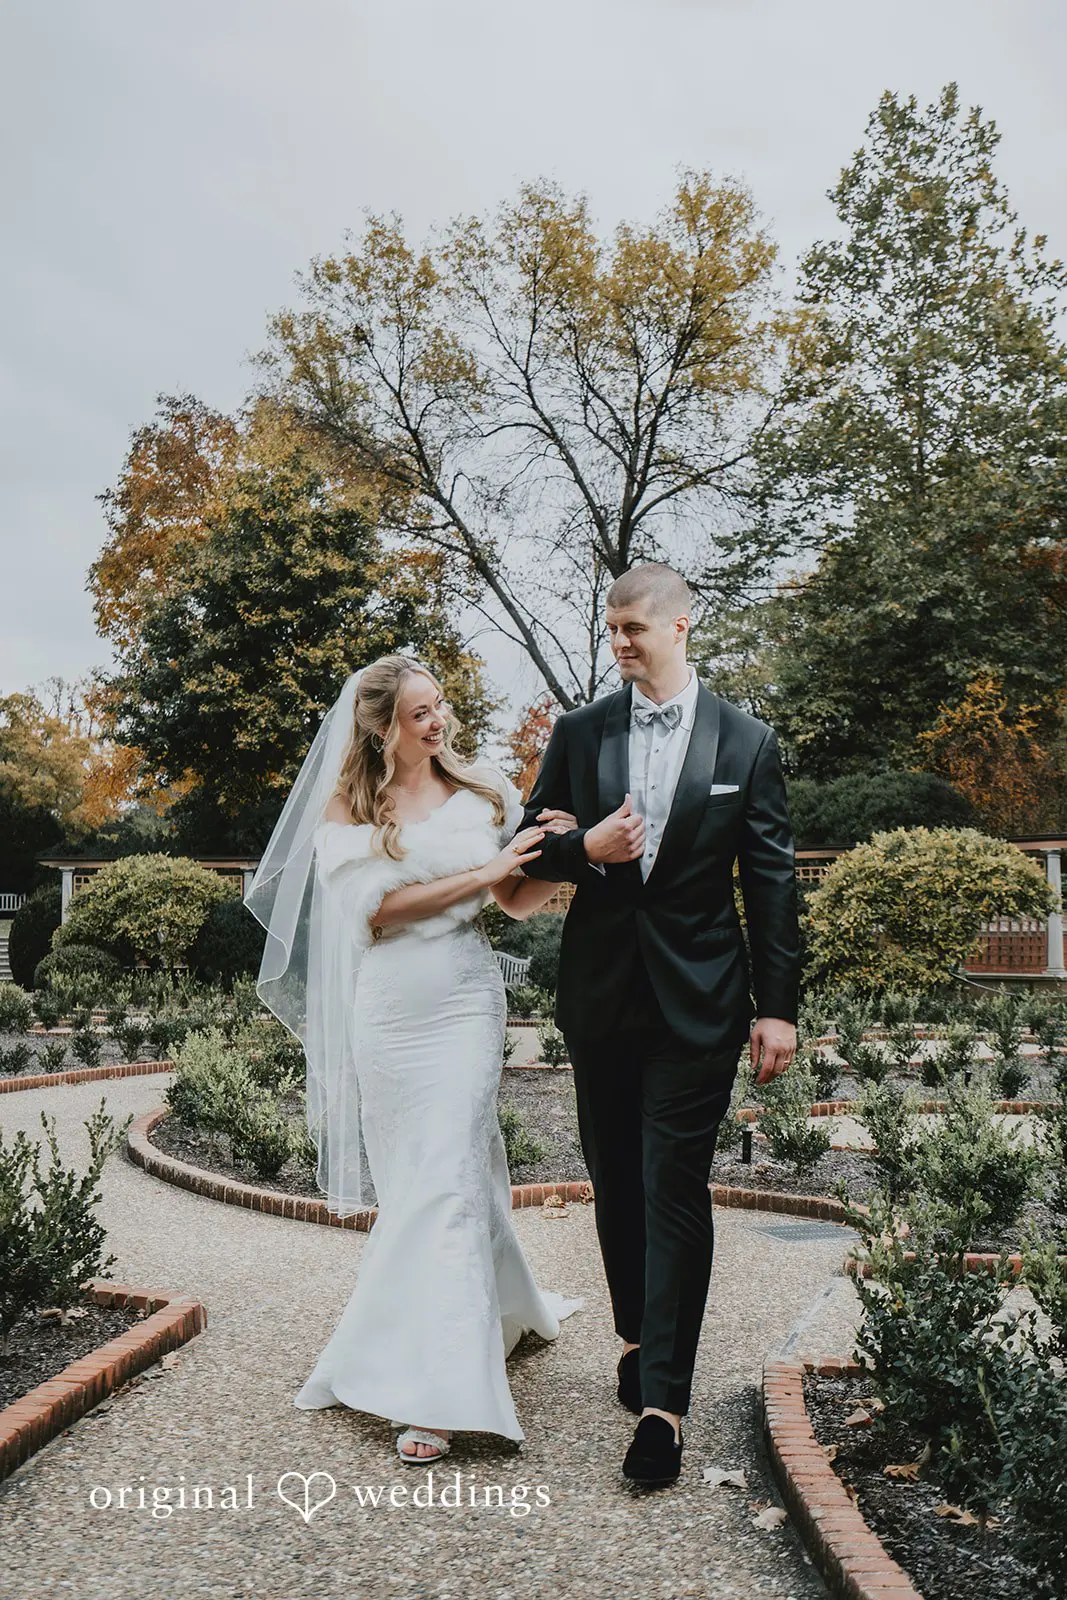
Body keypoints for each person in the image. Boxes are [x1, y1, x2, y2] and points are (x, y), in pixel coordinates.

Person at [244, 654, 582, 1465]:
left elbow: (512, 899)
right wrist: (488, 867)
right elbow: (379, 912)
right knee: (424, 1179)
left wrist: (557, 856)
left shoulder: (486, 789)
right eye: (419, 714)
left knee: (446, 1170)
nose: (438, 723)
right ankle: (495, 1314)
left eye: (440, 707)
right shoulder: (348, 804)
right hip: (391, 1010)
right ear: (382, 728)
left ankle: (437, 1392)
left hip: (466, 1000)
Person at [518, 562, 801, 1487]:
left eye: (633, 627)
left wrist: (776, 1007)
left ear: (681, 626)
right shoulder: (580, 731)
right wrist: (582, 848)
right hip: (600, 996)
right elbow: (528, 852)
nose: (618, 643)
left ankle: (663, 1408)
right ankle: (637, 1335)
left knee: (672, 1183)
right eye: (610, 630)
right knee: (614, 1179)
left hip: (701, 1001)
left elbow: (768, 882)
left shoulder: (745, 742)